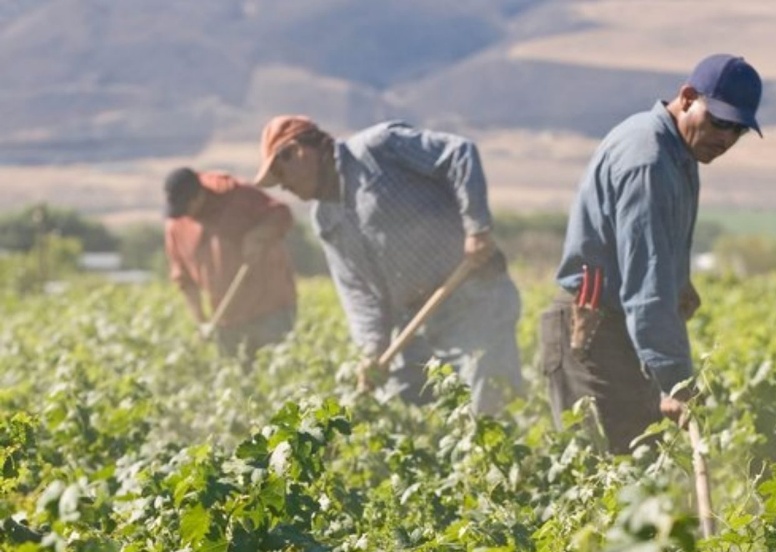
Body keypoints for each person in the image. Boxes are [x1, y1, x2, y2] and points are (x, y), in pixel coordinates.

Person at [539, 53, 763, 454]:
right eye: (720, 122)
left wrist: (682, 284)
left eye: (739, 131)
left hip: (621, 330)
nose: (726, 139)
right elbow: (647, 287)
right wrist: (677, 383)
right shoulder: (649, 160)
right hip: (591, 331)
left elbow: (657, 261)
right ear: (688, 97)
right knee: (609, 481)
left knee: (638, 476)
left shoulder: (680, 151)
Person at [252, 115, 523, 415]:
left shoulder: (378, 149)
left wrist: (477, 229)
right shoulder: (325, 219)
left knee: (489, 408)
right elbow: (357, 290)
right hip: (414, 320)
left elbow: (458, 153)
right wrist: (373, 350)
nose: (283, 186)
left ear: (298, 151)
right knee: (400, 410)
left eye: (280, 171)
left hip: (470, 296)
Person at [163, 167, 298, 361]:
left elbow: (282, 215)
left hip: (271, 308)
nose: (185, 214)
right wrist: (201, 321)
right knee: (238, 381)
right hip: (227, 319)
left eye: (187, 207)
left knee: (277, 372)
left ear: (199, 196)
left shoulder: (238, 196)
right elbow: (184, 280)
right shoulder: (176, 224)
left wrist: (258, 236)